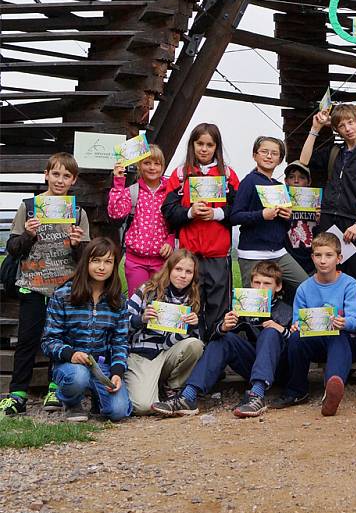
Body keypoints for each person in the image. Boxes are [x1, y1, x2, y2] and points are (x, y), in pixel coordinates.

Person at [0, 153, 90, 416]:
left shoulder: (78, 212)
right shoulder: (29, 207)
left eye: (66, 176)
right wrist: (28, 234)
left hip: (64, 288)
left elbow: (85, 257)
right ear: (46, 174)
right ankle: (18, 393)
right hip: (33, 285)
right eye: (56, 174)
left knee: (59, 339)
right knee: (27, 340)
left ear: (73, 180)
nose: (60, 180)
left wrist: (77, 244)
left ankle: (54, 387)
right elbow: (12, 247)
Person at [151, 261, 292, 418]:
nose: (260, 288)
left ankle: (257, 396)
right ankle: (188, 396)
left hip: (281, 368)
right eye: (257, 282)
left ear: (278, 287)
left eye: (267, 284)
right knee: (225, 338)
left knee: (270, 332)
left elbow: (297, 348)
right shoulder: (244, 306)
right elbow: (213, 339)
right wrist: (223, 327)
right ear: (251, 284)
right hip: (253, 365)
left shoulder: (286, 310)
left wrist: (282, 330)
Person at [271, 233, 356, 417]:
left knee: (337, 336)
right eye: (318, 255)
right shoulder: (304, 288)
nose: (323, 261)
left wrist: (343, 322)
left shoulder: (349, 284)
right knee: (296, 338)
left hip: (348, 341)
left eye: (328, 255)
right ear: (312, 257)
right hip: (316, 340)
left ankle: (331, 388)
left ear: (339, 258)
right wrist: (297, 326)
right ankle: (297, 391)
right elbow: (298, 319)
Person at [162, 123, 240, 341]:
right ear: (192, 145)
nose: (204, 149)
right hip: (189, 257)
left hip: (218, 255)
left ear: (217, 147)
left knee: (218, 308)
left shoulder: (228, 175)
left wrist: (216, 214)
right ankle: (191, 356)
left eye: (209, 145)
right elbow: (167, 210)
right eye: (200, 144)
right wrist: (190, 212)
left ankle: (216, 360)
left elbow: (238, 210)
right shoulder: (179, 174)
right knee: (191, 307)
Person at [40, 237, 132, 422]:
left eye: (108, 262)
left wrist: (116, 373)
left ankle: (99, 399)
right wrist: (70, 354)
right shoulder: (63, 294)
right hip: (70, 366)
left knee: (119, 411)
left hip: (101, 366)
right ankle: (71, 402)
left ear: (114, 266)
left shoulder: (117, 301)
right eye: (96, 261)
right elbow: (48, 340)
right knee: (78, 376)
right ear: (86, 263)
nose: (101, 267)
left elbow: (120, 342)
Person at [299, 104, 356, 288]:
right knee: (327, 276)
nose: (348, 129)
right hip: (328, 223)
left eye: (351, 122)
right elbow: (304, 160)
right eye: (341, 125)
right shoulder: (334, 152)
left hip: (355, 224)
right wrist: (315, 128)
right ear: (337, 130)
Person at [125, 249, 204, 415]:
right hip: (144, 354)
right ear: (169, 269)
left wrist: (193, 326)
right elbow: (121, 325)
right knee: (143, 407)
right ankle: (144, 383)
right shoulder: (148, 289)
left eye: (188, 272)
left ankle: (173, 386)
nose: (183, 275)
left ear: (193, 276)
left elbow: (195, 342)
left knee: (195, 345)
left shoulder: (193, 299)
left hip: (169, 352)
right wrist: (141, 320)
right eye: (178, 269)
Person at [231, 136, 308, 298]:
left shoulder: (280, 187)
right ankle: (251, 325)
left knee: (305, 285)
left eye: (274, 153)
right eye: (264, 152)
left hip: (278, 253)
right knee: (253, 301)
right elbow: (235, 216)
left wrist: (288, 217)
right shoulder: (249, 181)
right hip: (252, 253)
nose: (269, 156)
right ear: (255, 155)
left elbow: (285, 225)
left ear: (280, 159)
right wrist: (262, 215)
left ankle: (285, 319)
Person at [107, 144, 174, 294]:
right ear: (139, 165)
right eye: (147, 163)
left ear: (163, 167)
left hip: (162, 261)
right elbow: (115, 213)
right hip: (135, 261)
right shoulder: (133, 191)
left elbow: (176, 220)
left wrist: (170, 240)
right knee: (136, 306)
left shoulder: (170, 191)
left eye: (157, 164)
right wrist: (118, 181)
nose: (152, 167)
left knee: (158, 305)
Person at [284, 160, 318, 276]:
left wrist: (321, 220)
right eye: (292, 177)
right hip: (288, 260)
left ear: (309, 182)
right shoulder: (280, 203)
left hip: (313, 261)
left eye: (302, 177)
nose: (296, 181)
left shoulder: (318, 203)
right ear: (286, 181)